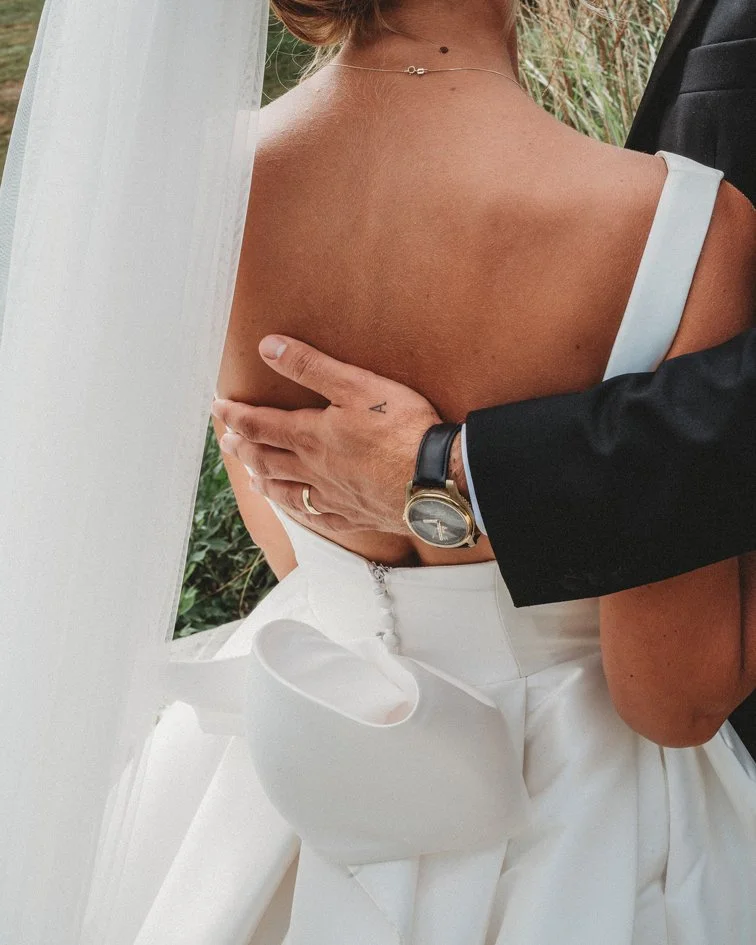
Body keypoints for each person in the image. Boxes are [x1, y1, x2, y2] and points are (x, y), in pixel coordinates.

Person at [141, 0, 756, 940]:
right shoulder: (678, 225)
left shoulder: (198, 187)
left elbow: (298, 539)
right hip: (585, 837)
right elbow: (668, 697)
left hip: (294, 795)